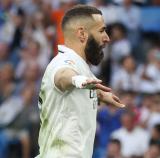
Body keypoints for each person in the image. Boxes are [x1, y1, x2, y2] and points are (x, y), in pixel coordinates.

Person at [36, 5, 125, 158]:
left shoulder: (82, 67)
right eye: (101, 30)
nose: (107, 38)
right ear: (82, 34)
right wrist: (77, 80)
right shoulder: (63, 62)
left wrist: (99, 94)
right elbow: (62, 77)